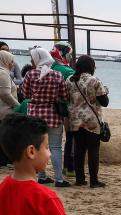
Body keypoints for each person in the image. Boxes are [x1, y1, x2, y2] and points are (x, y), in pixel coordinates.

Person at [23, 47, 69, 187]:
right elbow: (64, 95)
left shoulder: (30, 74)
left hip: (34, 116)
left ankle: (42, 176)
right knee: (55, 147)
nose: (31, 61)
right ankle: (59, 179)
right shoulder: (57, 75)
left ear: (38, 58)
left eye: (32, 58)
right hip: (53, 115)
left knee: (37, 147)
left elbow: (25, 94)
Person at [66, 55, 110, 188]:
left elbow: (67, 98)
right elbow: (104, 102)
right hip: (91, 120)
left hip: (75, 119)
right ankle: (94, 181)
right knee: (93, 151)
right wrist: (106, 92)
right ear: (91, 66)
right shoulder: (94, 80)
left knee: (78, 150)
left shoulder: (70, 80)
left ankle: (80, 179)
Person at [50, 42, 76, 176]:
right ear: (62, 54)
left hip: (54, 109)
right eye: (69, 54)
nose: (71, 57)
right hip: (67, 110)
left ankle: (66, 168)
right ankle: (69, 168)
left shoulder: (52, 67)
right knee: (71, 139)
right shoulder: (68, 71)